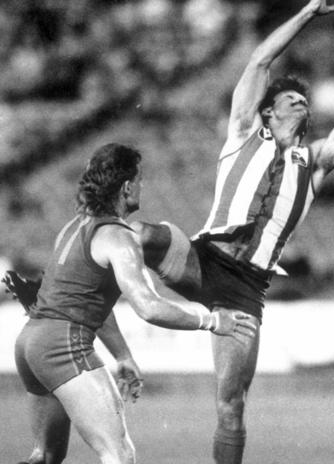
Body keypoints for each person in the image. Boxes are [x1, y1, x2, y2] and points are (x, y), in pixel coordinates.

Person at [128, 0, 334, 463]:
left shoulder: (315, 164)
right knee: (135, 233)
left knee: (231, 405)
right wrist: (310, 12)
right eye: (291, 100)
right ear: (268, 113)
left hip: (245, 288)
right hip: (202, 257)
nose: (302, 104)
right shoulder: (245, 132)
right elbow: (259, 62)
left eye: (305, 102)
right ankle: (65, 289)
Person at [8, 143, 256, 464]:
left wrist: (123, 355)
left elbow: (91, 299)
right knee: (120, 455)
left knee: (45, 456)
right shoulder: (118, 236)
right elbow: (149, 306)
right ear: (126, 187)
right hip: (62, 345)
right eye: (140, 179)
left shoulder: (73, 227)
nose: (143, 185)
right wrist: (211, 321)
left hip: (30, 342)